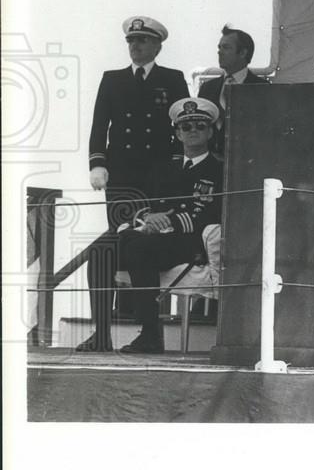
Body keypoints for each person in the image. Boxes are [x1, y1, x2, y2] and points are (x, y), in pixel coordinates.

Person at [76, 98, 224, 353]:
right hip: (152, 237)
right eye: (186, 127)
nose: (193, 132)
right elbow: (144, 204)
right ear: (177, 133)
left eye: (200, 126)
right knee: (101, 250)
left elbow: (213, 213)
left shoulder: (220, 170)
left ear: (210, 131)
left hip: (189, 243)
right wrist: (147, 217)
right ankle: (101, 335)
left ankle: (151, 335)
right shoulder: (163, 169)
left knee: (138, 247)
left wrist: (168, 220)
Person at [88, 16, 189, 228]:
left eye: (142, 40)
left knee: (158, 231)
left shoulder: (172, 79)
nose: (135, 45)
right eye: (131, 40)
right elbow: (99, 125)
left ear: (157, 47)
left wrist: (178, 161)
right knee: (122, 229)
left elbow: (183, 124)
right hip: (121, 170)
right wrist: (97, 164)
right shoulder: (112, 80)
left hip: (159, 170)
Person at [198, 25, 270, 157]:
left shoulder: (262, 88)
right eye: (219, 47)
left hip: (245, 163)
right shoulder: (207, 88)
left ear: (243, 52)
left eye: (226, 47)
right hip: (211, 164)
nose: (219, 52)